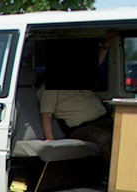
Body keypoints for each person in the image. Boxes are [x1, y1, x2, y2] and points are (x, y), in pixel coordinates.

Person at [38, 33, 115, 165]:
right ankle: (114, 179)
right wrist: (50, 139)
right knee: (108, 139)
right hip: (82, 129)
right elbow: (46, 114)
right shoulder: (48, 87)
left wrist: (106, 45)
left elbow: (97, 63)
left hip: (103, 120)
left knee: (128, 132)